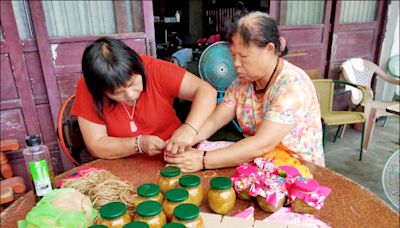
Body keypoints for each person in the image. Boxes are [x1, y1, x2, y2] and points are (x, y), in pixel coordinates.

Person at [165, 12, 324, 172]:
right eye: (233, 55)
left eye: (244, 56)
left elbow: (262, 143)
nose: (236, 64)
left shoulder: (292, 84)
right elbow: (215, 120)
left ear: (269, 49)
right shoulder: (242, 82)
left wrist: (203, 159)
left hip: (297, 171)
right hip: (262, 162)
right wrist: (186, 138)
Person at [70, 37, 217, 159]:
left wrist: (189, 128)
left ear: (138, 67)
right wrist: (138, 144)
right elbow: (97, 145)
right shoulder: (88, 88)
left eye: (132, 83)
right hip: (122, 163)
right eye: (117, 93)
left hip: (176, 154)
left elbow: (206, 91)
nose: (130, 95)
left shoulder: (154, 69)